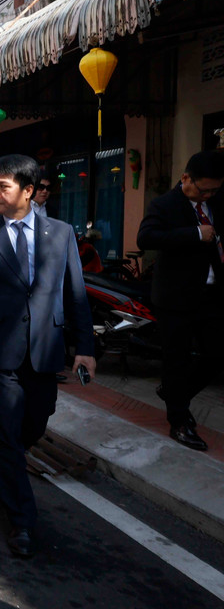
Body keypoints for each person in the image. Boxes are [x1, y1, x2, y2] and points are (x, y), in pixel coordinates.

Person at [0, 154, 95, 558]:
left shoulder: (62, 233)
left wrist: (84, 348)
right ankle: (22, 521)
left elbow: (76, 294)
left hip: (45, 351)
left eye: (3, 187)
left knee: (34, 424)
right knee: (6, 433)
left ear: (29, 191)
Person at [137, 150, 224, 451]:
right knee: (177, 359)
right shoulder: (164, 204)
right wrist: (194, 234)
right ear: (186, 178)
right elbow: (146, 238)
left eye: (215, 190)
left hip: (210, 296)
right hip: (175, 297)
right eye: (204, 189)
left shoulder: (215, 202)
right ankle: (179, 421)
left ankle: (176, 392)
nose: (208, 195)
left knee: (216, 355)